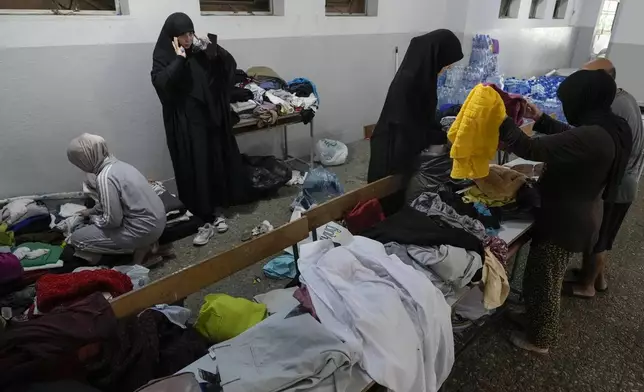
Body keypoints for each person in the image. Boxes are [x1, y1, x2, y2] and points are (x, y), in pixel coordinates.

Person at [499, 70, 632, 354]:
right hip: (579, 212)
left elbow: (530, 147)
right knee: (539, 275)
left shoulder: (594, 135)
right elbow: (572, 136)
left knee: (545, 281)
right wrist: (541, 120)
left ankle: (540, 340)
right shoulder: (611, 126)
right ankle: (532, 317)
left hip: (568, 220)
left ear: (583, 101)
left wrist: (499, 117)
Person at [151, 12, 252, 246]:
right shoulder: (164, 56)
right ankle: (200, 213)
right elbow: (162, 85)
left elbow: (226, 70)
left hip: (207, 119)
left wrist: (215, 51)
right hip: (184, 124)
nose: (188, 39)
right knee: (193, 166)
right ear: (172, 37)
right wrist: (179, 58)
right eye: (183, 35)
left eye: (190, 33)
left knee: (212, 161)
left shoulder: (196, 51)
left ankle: (215, 209)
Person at [565, 59, 644, 298]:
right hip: (624, 179)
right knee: (603, 234)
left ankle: (586, 286)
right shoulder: (622, 98)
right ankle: (597, 280)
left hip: (618, 184)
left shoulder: (616, 108)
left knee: (599, 237)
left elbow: (595, 145)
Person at [367, 29, 464, 213]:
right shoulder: (409, 81)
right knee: (389, 200)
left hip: (403, 142)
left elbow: (423, 116)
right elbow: (412, 127)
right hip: (392, 147)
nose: (448, 68)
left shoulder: (422, 77)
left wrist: (444, 131)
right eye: (447, 63)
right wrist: (444, 137)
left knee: (403, 196)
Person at [67, 134, 166, 263]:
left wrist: (93, 219)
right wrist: (91, 211)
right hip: (158, 223)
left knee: (76, 238)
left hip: (143, 231)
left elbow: (112, 221)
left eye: (79, 162)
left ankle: (138, 248)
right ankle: (145, 244)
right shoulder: (121, 165)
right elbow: (110, 202)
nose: (80, 167)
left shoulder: (104, 178)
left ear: (86, 158)